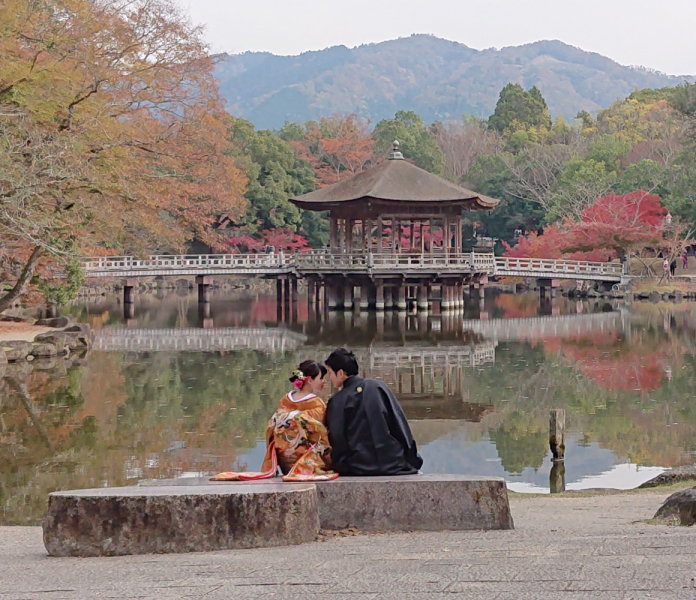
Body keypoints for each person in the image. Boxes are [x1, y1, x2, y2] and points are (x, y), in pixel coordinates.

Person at [211, 360, 338, 482]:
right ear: (310, 380)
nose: (324, 382)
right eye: (321, 378)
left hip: (283, 461)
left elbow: (272, 428)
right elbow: (321, 435)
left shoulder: (286, 399)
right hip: (305, 461)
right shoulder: (316, 404)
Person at [324, 347, 423, 476]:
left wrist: (338, 463)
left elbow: (338, 439)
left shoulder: (337, 401)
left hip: (357, 466)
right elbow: (398, 424)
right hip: (392, 462)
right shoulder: (378, 387)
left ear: (341, 373)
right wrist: (412, 458)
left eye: (330, 373)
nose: (330, 378)